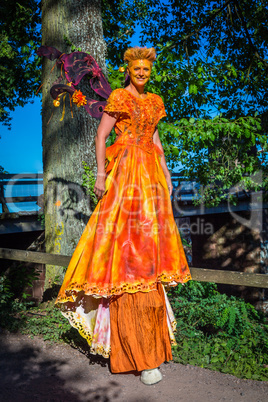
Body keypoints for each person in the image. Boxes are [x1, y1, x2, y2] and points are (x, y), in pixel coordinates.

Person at [55, 46, 191, 385]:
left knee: (151, 239)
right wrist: (101, 174)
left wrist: (167, 173)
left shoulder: (156, 101)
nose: (142, 72)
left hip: (151, 173)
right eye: (137, 68)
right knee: (126, 239)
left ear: (150, 70)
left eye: (147, 68)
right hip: (127, 170)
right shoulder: (118, 96)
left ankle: (150, 351)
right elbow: (102, 135)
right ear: (128, 70)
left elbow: (156, 140)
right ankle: (131, 350)